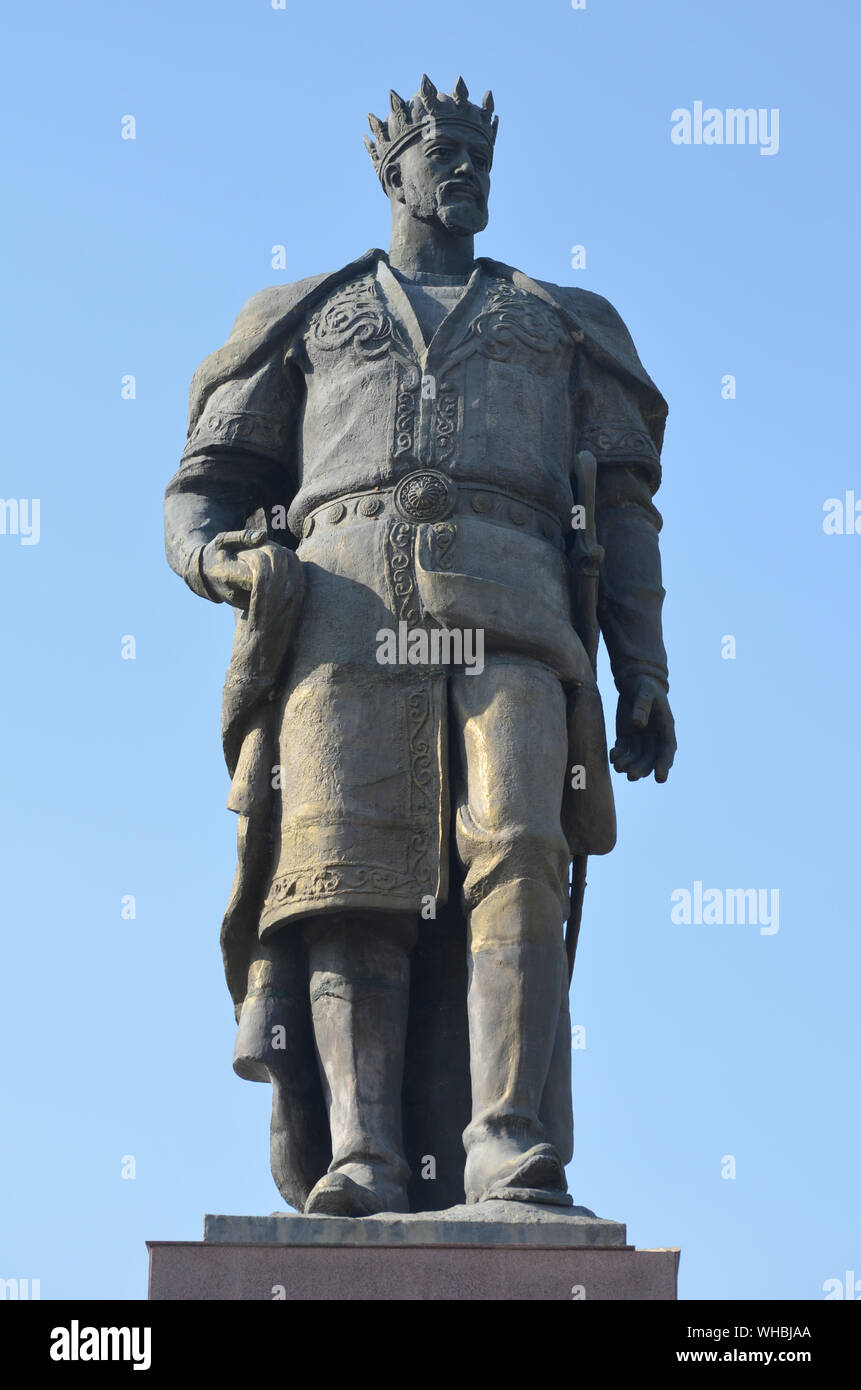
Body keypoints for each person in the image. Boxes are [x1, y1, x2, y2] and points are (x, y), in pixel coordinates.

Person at [164, 76, 675, 1217]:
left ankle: (507, 1147)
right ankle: (366, 1153)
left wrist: (646, 667)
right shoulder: (308, 314)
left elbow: (629, 509)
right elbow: (201, 490)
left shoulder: (563, 321)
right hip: (340, 613)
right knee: (346, 876)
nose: (465, 174)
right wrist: (223, 562)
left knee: (519, 846)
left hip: (517, 603)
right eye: (441, 155)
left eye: (480, 158)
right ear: (391, 174)